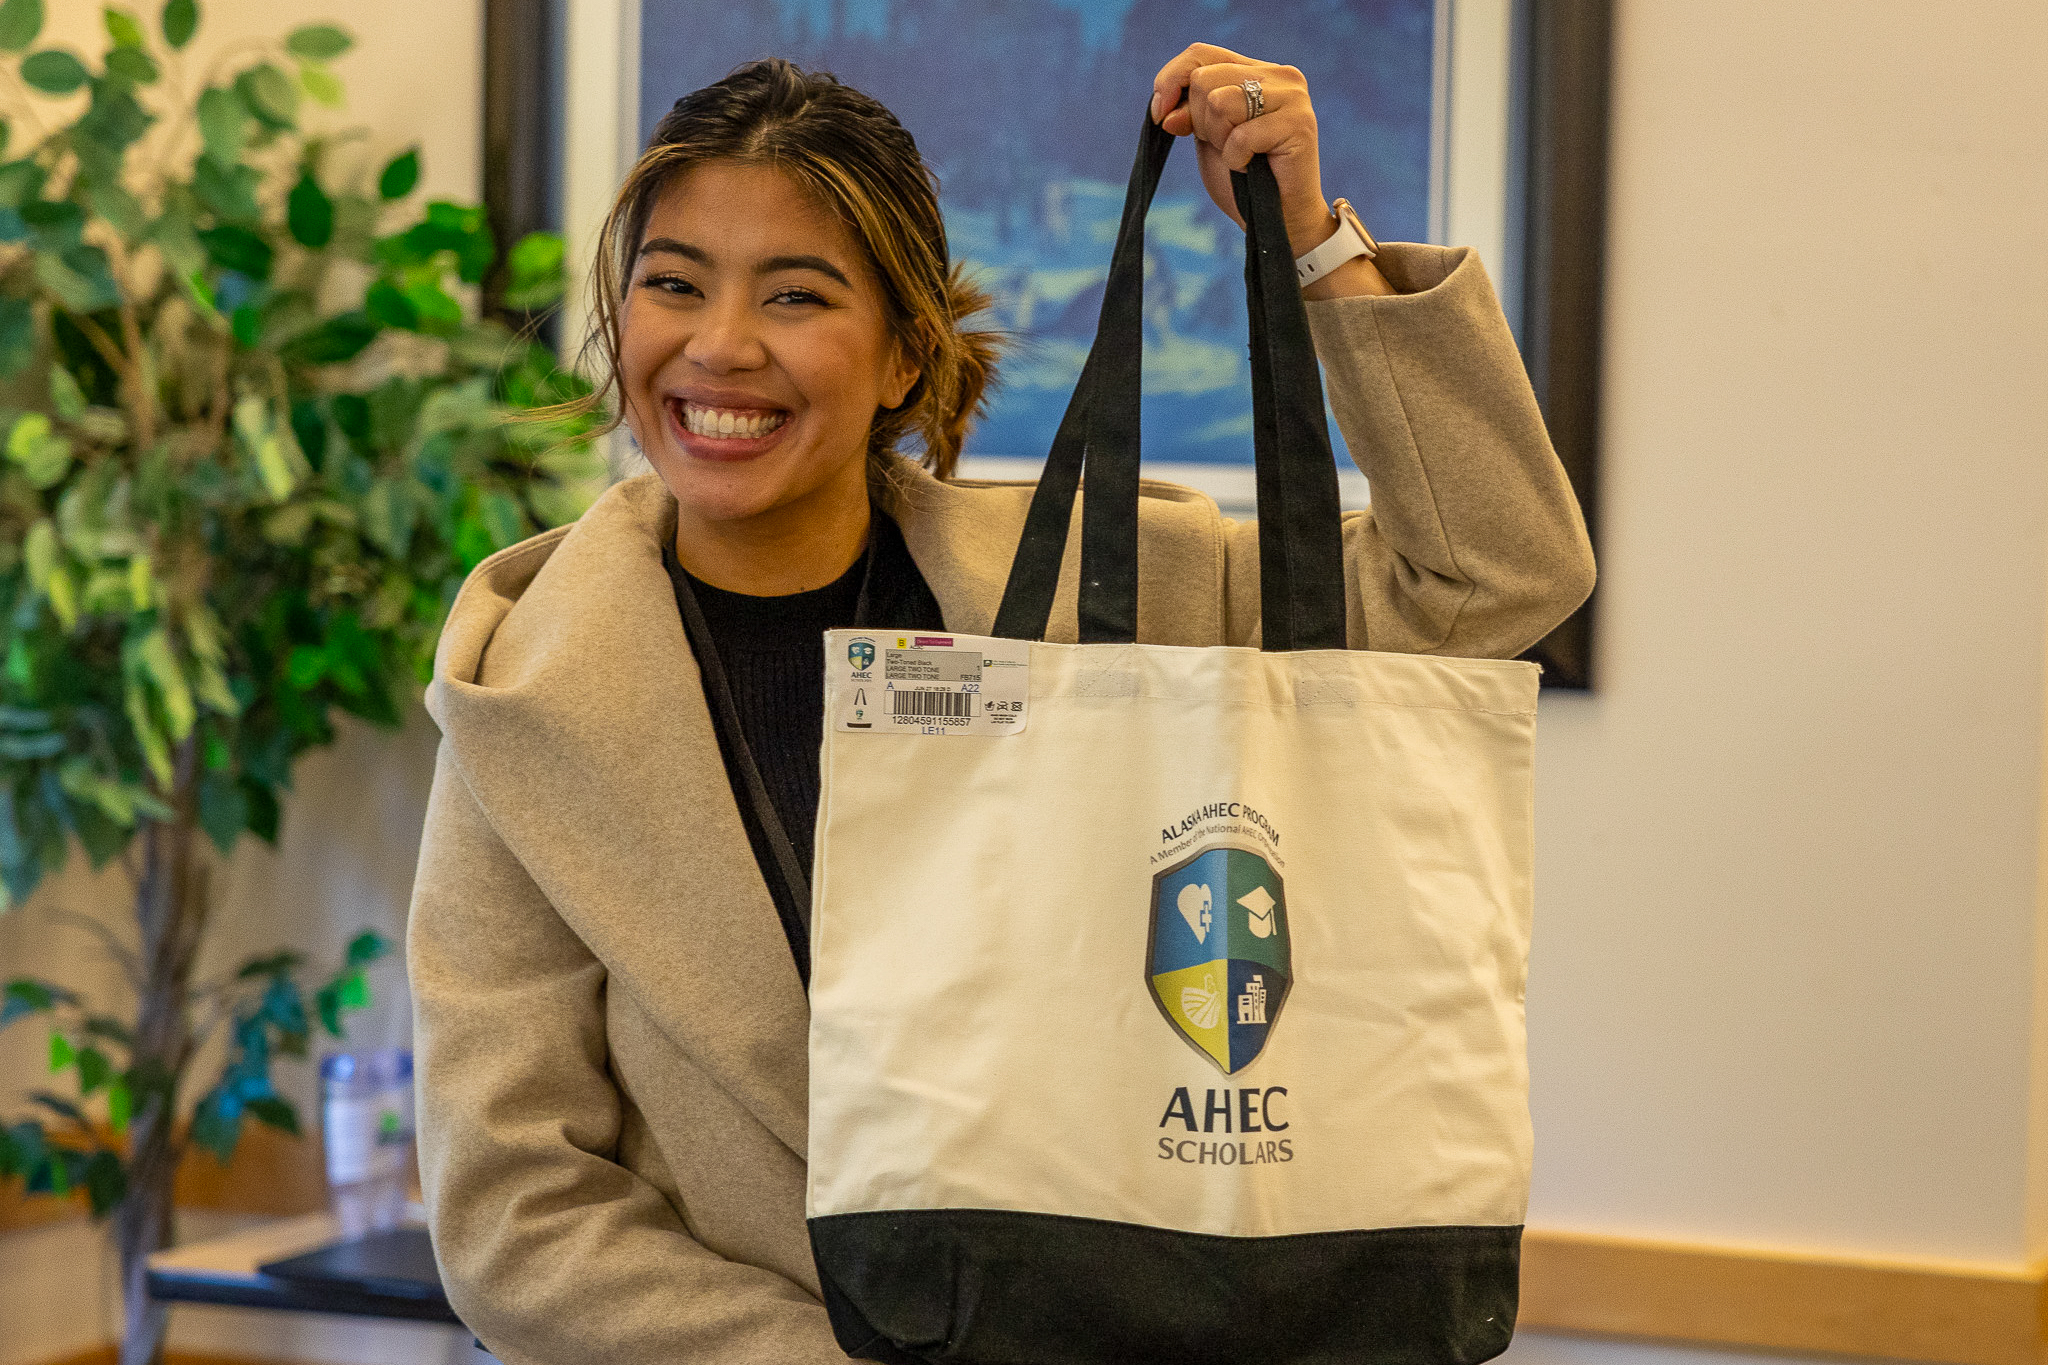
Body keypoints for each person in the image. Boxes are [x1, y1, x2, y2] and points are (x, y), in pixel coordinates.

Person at [409, 44, 1594, 1364]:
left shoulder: (1122, 594)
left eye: (795, 295)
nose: (721, 345)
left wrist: (1315, 238)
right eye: (673, 285)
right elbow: (518, 1215)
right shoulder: (526, 702)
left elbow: (1498, 575)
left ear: (908, 357)